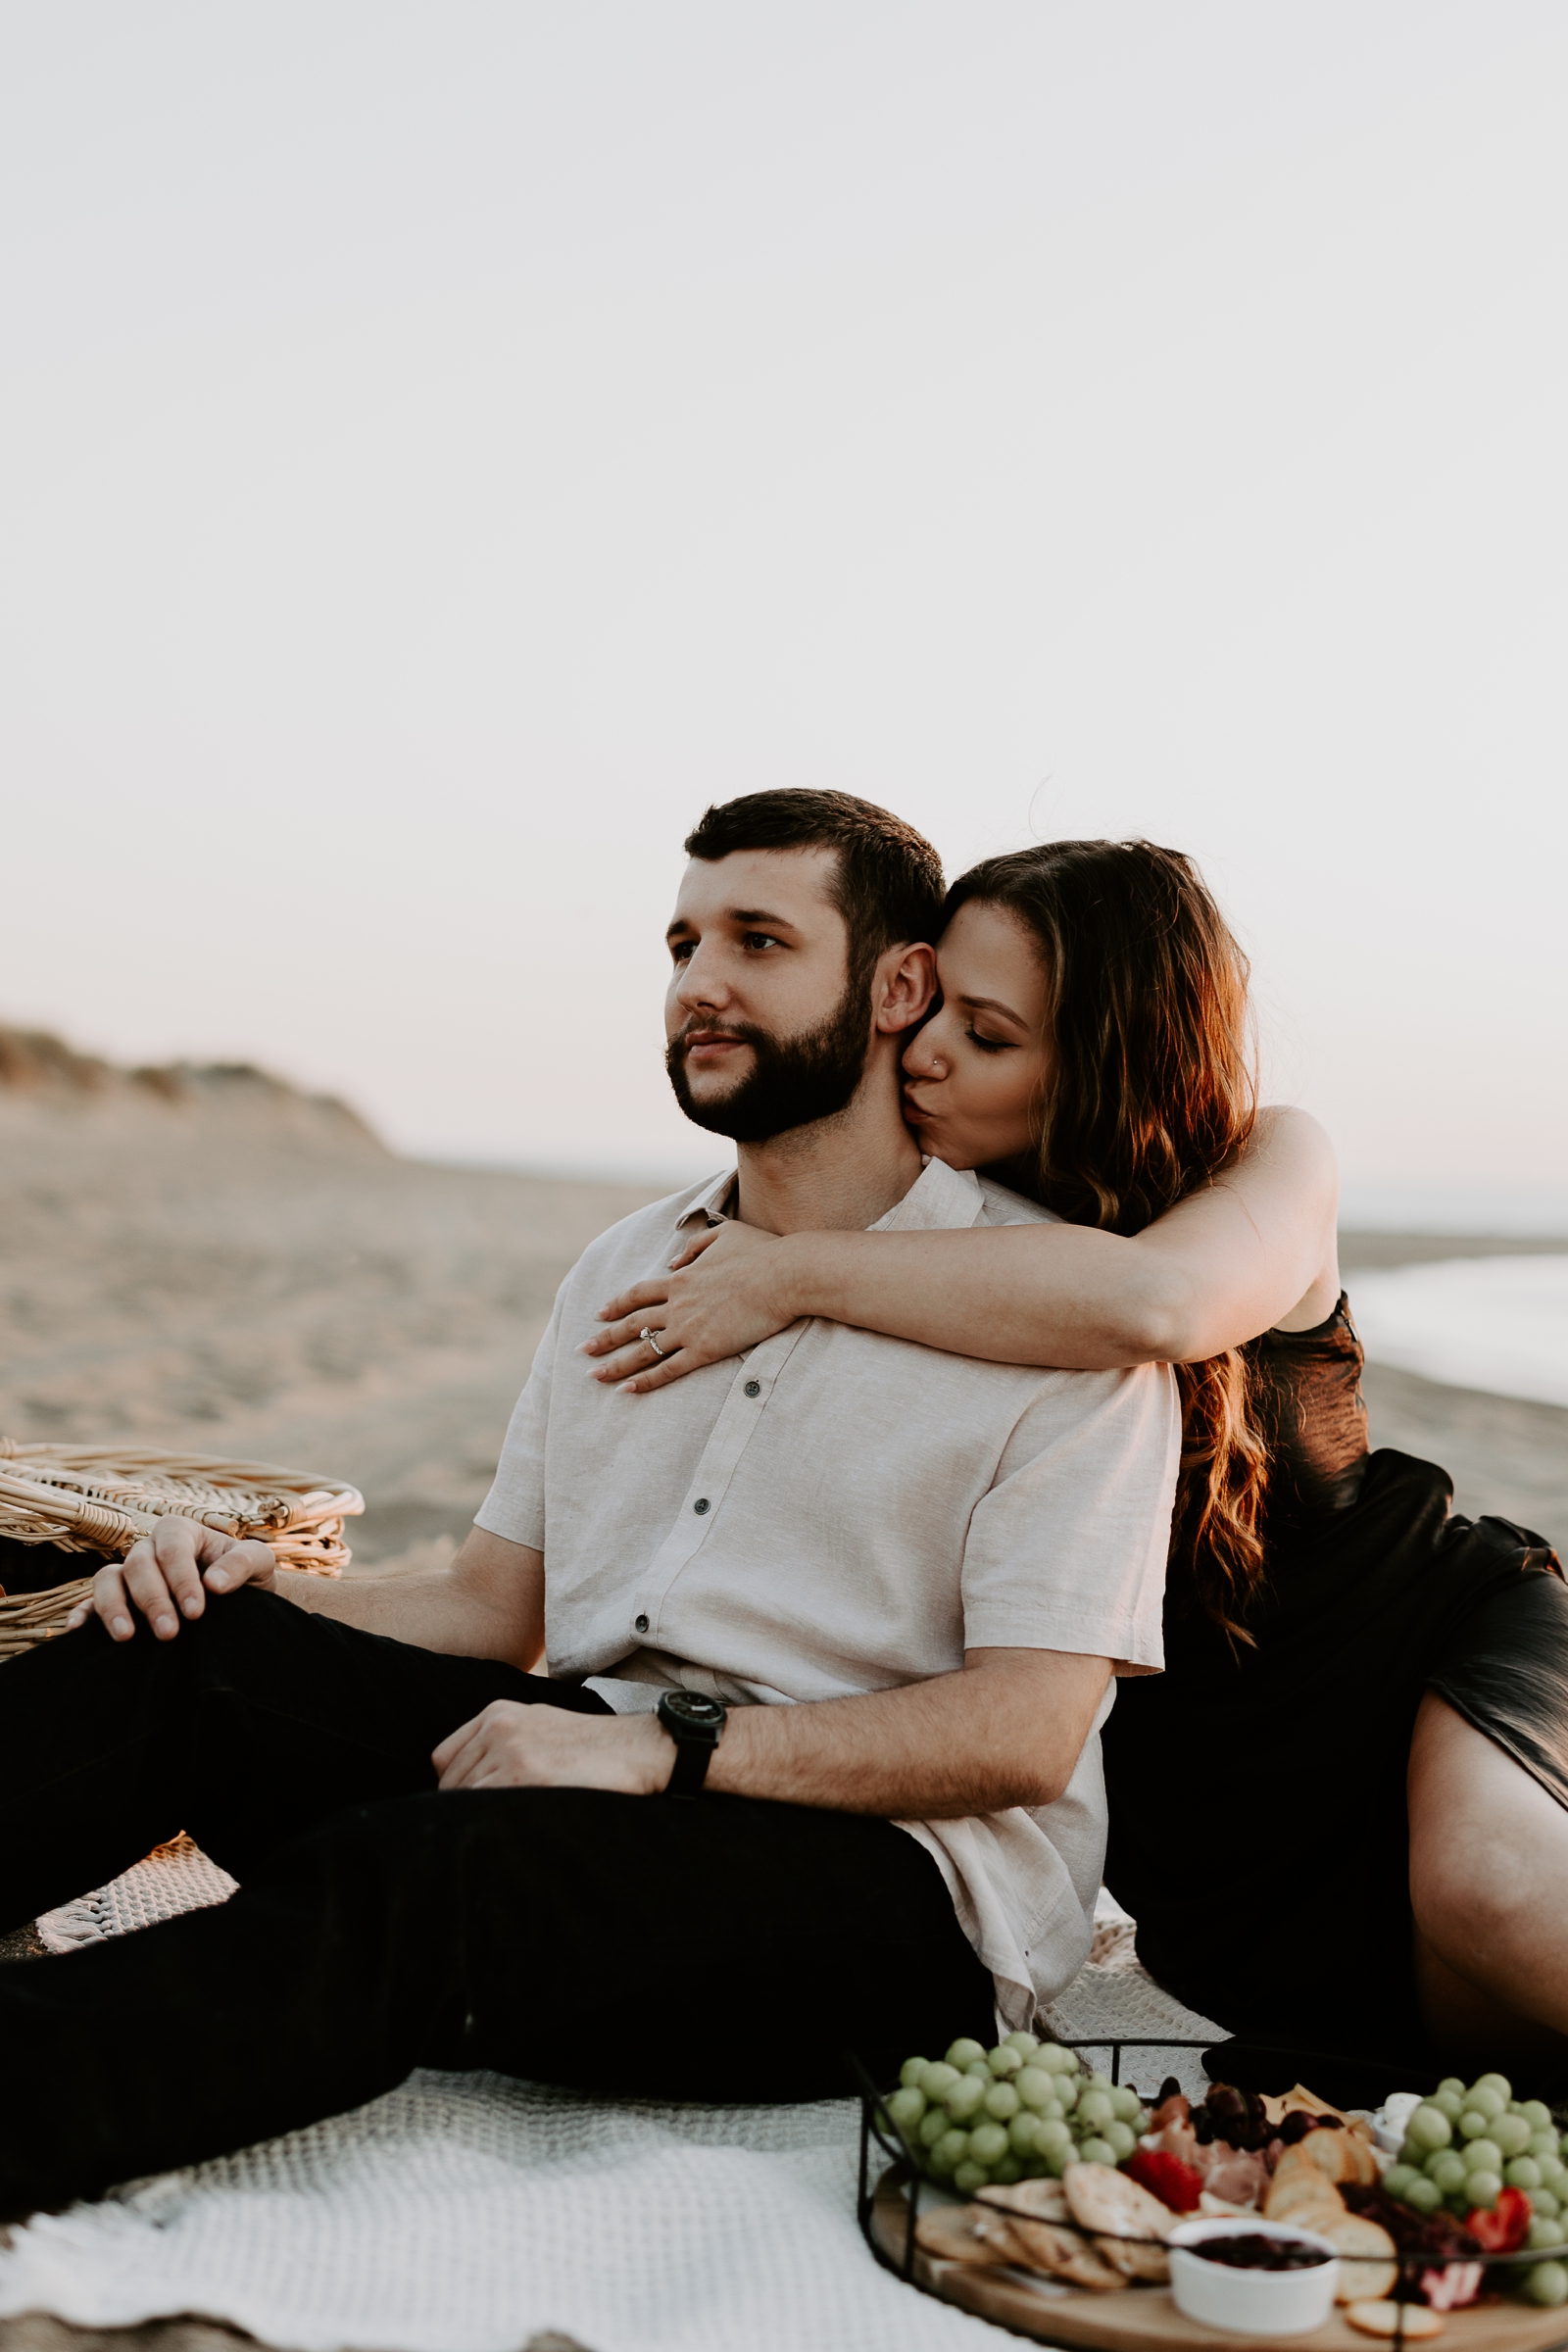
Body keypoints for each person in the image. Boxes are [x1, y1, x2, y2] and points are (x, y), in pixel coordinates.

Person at [0, 790, 1185, 2219]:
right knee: (197, 1664)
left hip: (900, 1902)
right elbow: (494, 1608)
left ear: (899, 986)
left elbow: (1022, 1733)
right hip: (600, 1771)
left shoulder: (1054, 1322)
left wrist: (669, 1755)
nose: (700, 983)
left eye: (758, 940)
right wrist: (253, 1590)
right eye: (683, 941)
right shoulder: (625, 1263)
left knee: (432, 1874)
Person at [586, 835, 1568, 2098]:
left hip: (1411, 1660)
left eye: (990, 1036)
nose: (927, 1052)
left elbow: (1156, 1304)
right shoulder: (942, 1237)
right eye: (931, 1007)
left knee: (1494, 1896)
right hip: (1209, 1828)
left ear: (1111, 1059)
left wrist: (785, 1275)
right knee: (1471, 2058)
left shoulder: (1270, 1160)